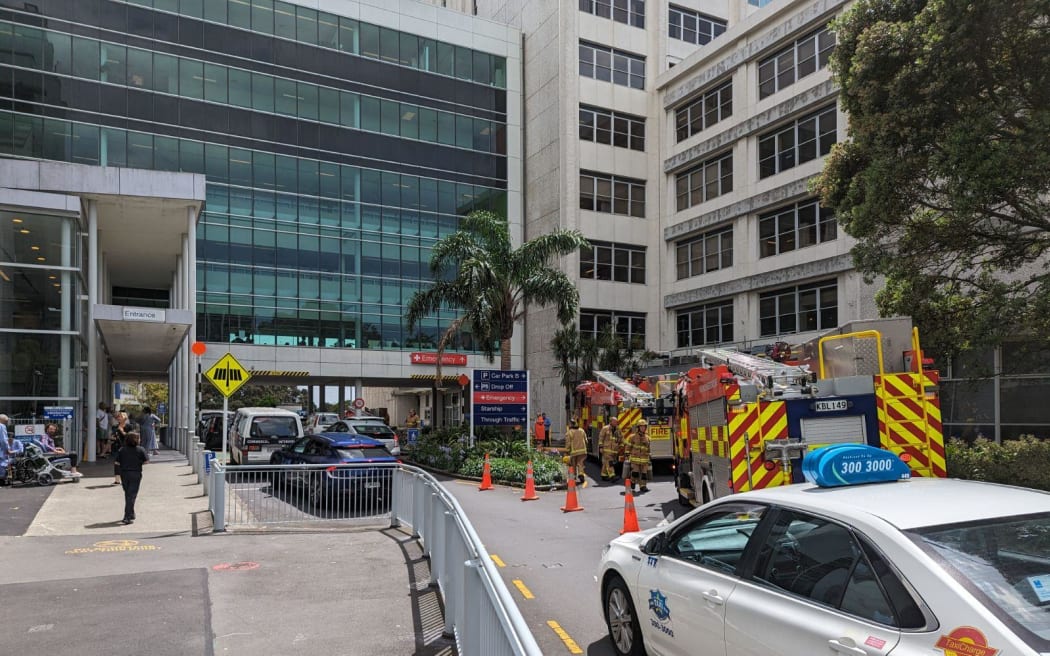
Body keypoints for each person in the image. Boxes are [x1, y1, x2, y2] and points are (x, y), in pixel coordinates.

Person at [114, 431, 149, 525]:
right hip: (136, 474)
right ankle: (127, 517)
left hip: (124, 474)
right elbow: (146, 461)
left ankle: (131, 513)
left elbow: (117, 462)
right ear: (136, 440)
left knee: (128, 494)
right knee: (131, 495)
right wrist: (138, 462)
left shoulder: (122, 450)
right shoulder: (141, 450)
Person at [628, 420, 652, 494]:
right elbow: (628, 446)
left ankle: (643, 486)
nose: (643, 428)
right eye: (641, 426)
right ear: (638, 427)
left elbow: (648, 448)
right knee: (635, 473)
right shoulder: (632, 437)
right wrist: (626, 454)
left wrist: (650, 455)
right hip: (635, 459)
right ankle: (632, 483)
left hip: (644, 459)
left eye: (644, 426)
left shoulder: (648, 437)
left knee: (644, 474)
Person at [565, 419, 588, 488]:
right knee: (581, 463)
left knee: (573, 465)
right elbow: (586, 440)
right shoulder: (582, 430)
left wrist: (567, 451)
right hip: (583, 451)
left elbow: (568, 443)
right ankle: (581, 474)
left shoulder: (569, 433)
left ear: (571, 425)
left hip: (574, 452)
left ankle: (574, 477)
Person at [598, 416, 622, 482]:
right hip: (606, 449)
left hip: (614, 451)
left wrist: (621, 446)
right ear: (610, 422)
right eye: (614, 421)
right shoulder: (605, 428)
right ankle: (612, 476)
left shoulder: (618, 429)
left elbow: (621, 438)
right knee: (610, 462)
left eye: (616, 421)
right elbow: (601, 438)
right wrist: (601, 447)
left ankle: (604, 475)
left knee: (606, 463)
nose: (616, 422)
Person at [111, 411, 130, 485]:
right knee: (117, 463)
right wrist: (112, 437)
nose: (119, 418)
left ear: (125, 418)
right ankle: (117, 480)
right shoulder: (115, 427)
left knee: (126, 464)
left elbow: (130, 437)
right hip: (117, 447)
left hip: (126, 447)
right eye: (118, 417)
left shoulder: (129, 426)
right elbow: (113, 436)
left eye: (120, 416)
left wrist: (122, 431)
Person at [0, 414, 12, 486]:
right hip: (1, 449)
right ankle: (1, 480)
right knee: (3, 463)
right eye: (6, 422)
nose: (6, 423)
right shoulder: (1, 426)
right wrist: (7, 449)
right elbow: (4, 440)